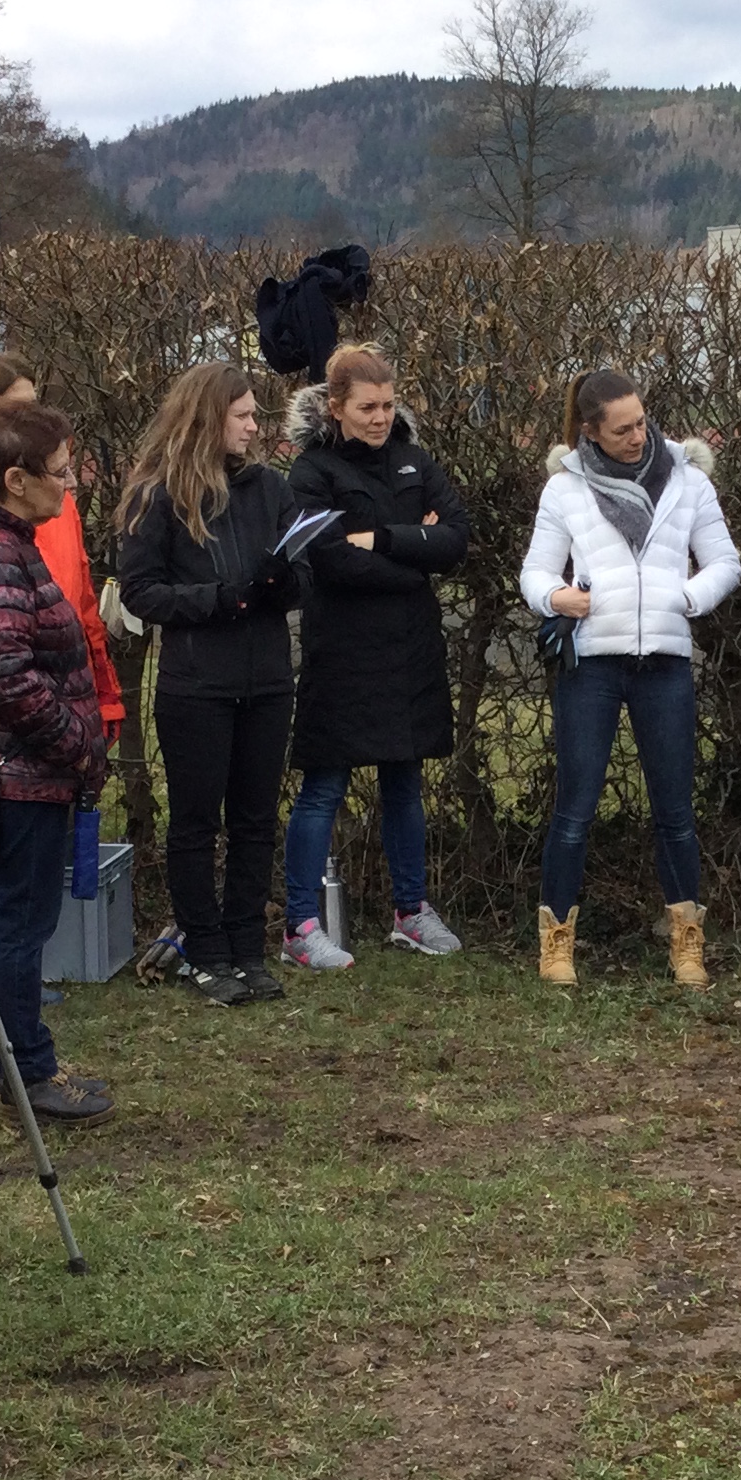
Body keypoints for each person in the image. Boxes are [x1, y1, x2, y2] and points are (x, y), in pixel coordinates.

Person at [0, 345, 126, 1026]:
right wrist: (70, 738)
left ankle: (10, 986)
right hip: (2, 730)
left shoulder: (49, 504)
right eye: (16, 409)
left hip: (47, 713)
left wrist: (102, 696)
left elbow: (77, 601)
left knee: (25, 898)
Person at [520, 366, 740, 988]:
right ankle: (556, 941)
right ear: (591, 431)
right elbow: (534, 571)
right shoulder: (564, 491)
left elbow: (725, 560)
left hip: (665, 663)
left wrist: (686, 598)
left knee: (675, 812)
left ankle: (687, 942)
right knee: (575, 810)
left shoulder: (688, 480)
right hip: (591, 665)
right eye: (622, 430)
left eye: (642, 422)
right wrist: (556, 598)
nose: (638, 437)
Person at [279, 346, 470, 968]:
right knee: (323, 787)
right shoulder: (310, 472)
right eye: (366, 407)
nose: (380, 417)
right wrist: (415, 559)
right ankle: (300, 925)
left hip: (411, 649)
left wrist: (385, 539)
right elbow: (331, 560)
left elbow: (456, 540)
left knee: (405, 782)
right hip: (342, 652)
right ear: (335, 408)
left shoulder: (416, 460)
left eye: (388, 405)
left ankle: (410, 911)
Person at [117, 363, 300, 1006]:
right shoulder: (155, 494)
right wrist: (222, 599)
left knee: (255, 820)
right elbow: (142, 593)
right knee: (196, 822)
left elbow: (297, 577)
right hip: (197, 684)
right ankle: (205, 948)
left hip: (269, 678)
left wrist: (282, 582)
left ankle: (248, 948)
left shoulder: (269, 489)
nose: (255, 426)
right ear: (207, 418)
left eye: (256, 414)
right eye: (244, 415)